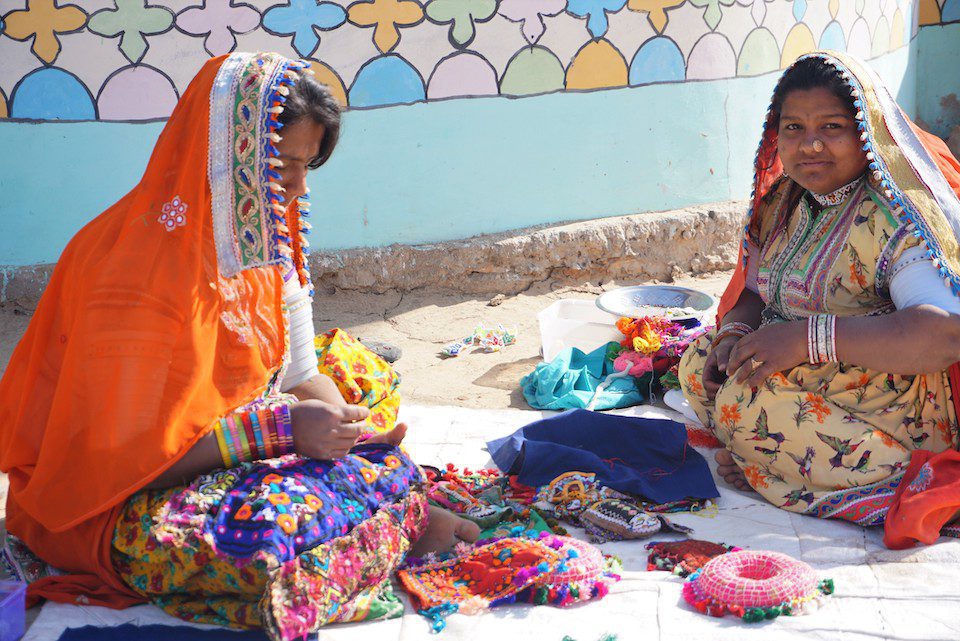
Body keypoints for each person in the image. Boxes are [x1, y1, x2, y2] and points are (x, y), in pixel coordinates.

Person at [0, 52, 478, 640]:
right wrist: (279, 432)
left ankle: (391, 519)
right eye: (284, 164)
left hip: (229, 452)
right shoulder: (130, 275)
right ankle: (388, 529)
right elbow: (118, 464)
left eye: (309, 166)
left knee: (384, 460)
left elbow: (301, 372)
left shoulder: (264, 247)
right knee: (263, 546)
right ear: (227, 158)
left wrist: (348, 433)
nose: (298, 186)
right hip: (110, 503)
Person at [679, 51, 960, 537]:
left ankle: (906, 479)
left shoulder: (897, 218)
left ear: (865, 132)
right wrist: (736, 332)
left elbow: (944, 336)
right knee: (699, 360)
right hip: (804, 380)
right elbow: (753, 291)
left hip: (887, 404)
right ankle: (771, 458)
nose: (810, 146)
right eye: (793, 129)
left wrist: (807, 340)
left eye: (831, 127)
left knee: (749, 406)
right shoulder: (784, 201)